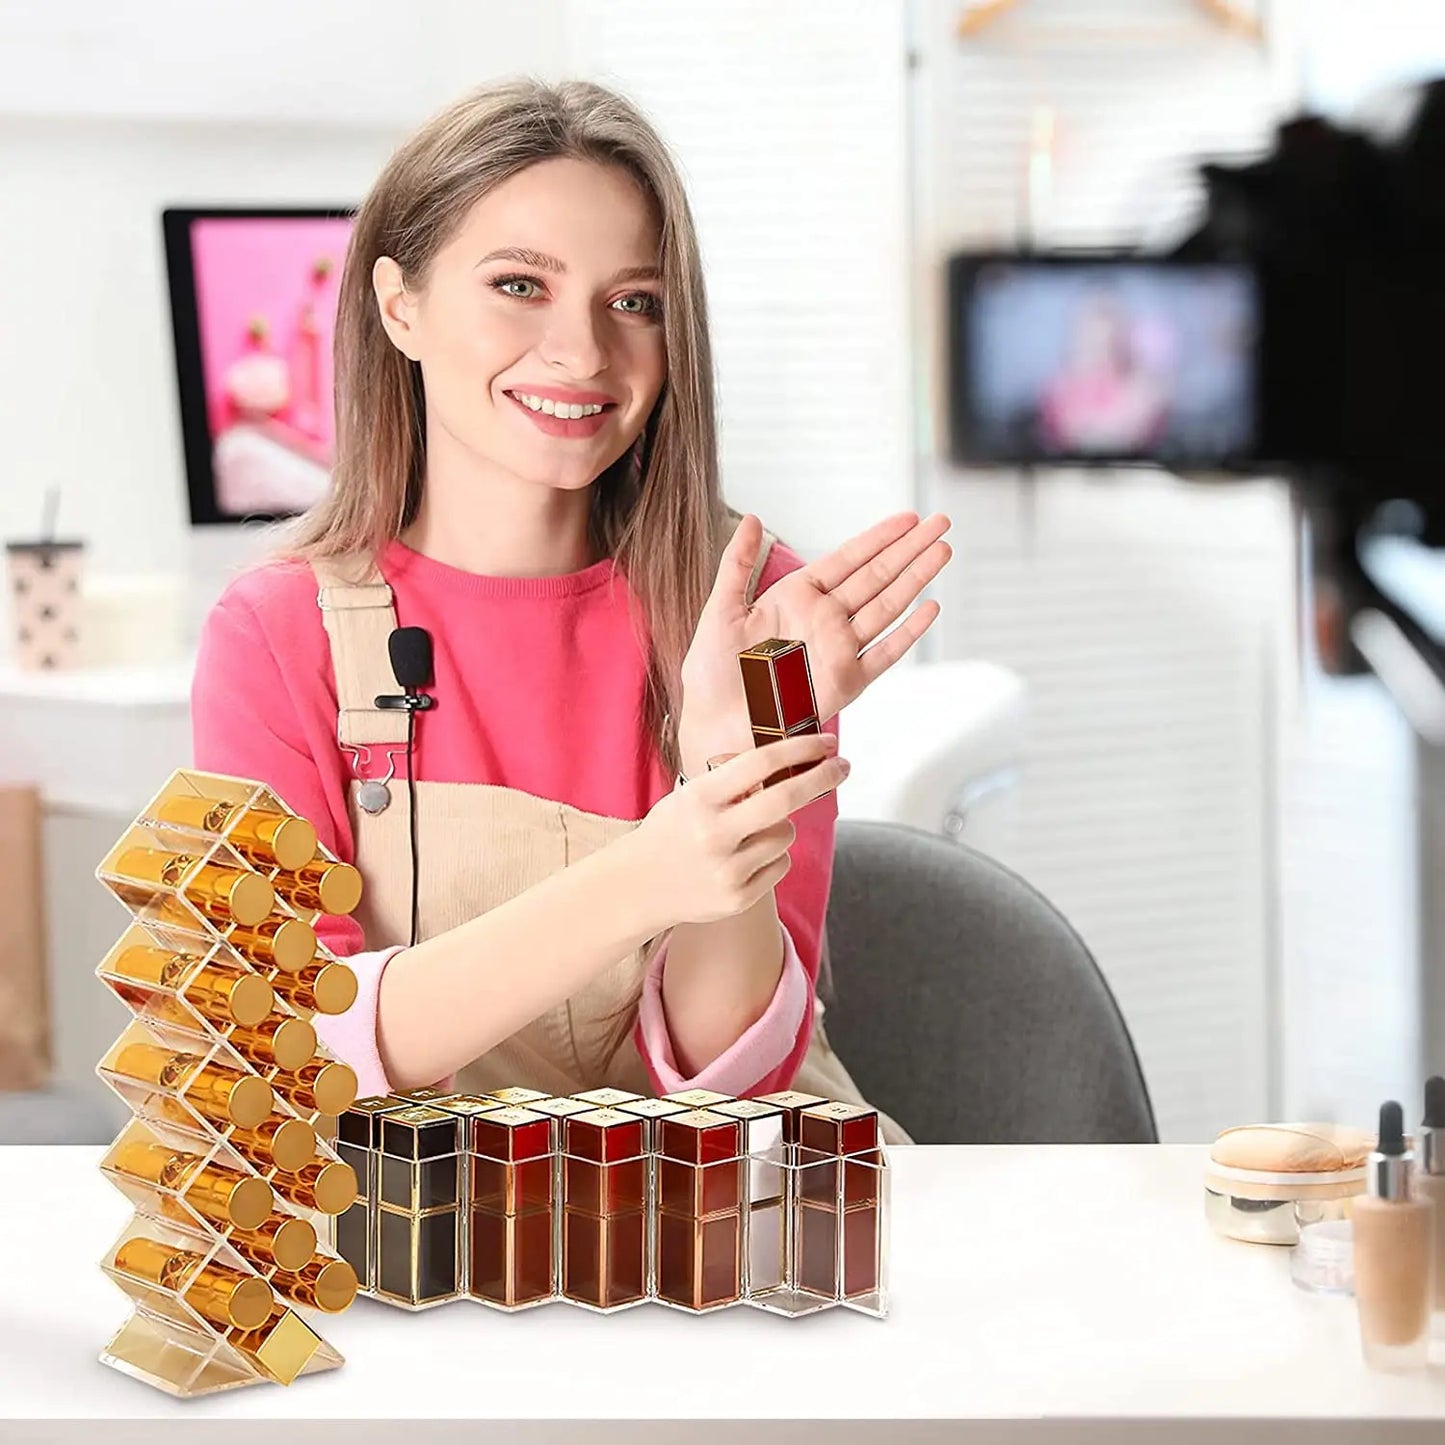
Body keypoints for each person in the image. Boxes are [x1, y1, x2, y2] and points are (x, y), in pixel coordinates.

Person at [190, 79, 952, 1145]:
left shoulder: (754, 606)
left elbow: (735, 1084)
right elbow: (291, 1052)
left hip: (723, 1218)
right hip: (421, 1231)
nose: (585, 353)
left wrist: (731, 780)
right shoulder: (278, 633)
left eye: (632, 301)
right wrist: (647, 872)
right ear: (397, 305)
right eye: (518, 285)